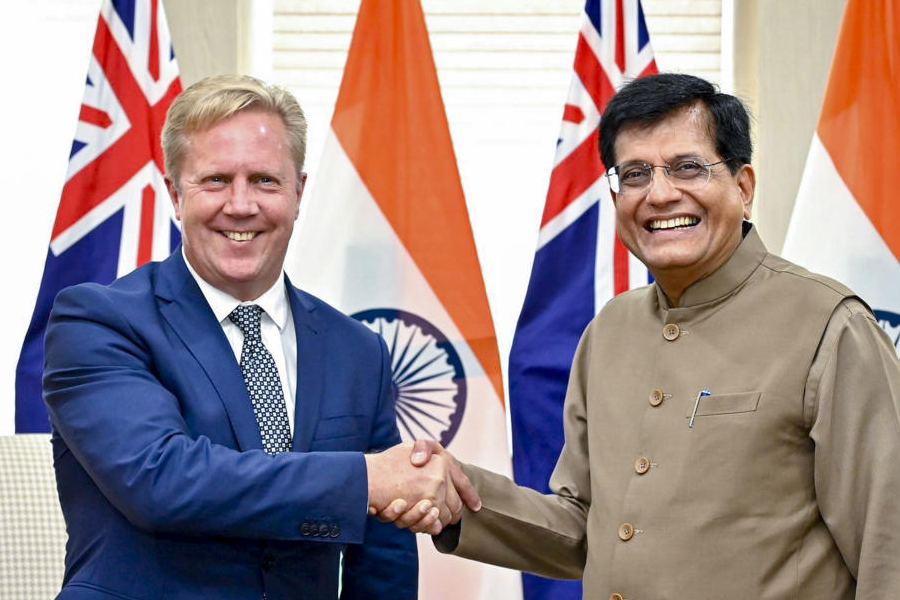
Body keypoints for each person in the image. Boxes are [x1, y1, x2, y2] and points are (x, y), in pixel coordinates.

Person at [383, 73, 900, 599]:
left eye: (687, 168)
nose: (659, 194)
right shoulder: (609, 331)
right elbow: (581, 529)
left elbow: (888, 546)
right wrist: (458, 494)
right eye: (634, 174)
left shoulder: (830, 327)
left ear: (743, 188)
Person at [42, 74, 475, 600]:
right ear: (176, 195)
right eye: (216, 180)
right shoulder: (98, 321)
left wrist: (394, 485)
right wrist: (364, 480)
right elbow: (162, 480)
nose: (241, 205)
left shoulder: (357, 350)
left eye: (266, 181)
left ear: (299, 193)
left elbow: (382, 549)